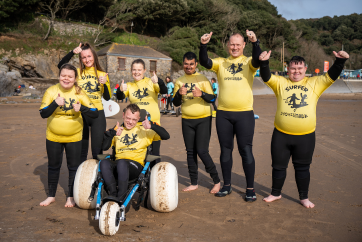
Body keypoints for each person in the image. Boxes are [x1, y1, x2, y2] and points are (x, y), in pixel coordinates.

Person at [258, 50, 349, 208]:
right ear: (288, 70)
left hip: (305, 136)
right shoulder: (281, 83)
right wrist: (264, 63)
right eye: (293, 68)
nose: (296, 71)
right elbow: (266, 77)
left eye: (299, 68)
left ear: (305, 69)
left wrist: (339, 62)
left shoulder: (315, 83)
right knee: (278, 166)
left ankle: (304, 197)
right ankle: (275, 193)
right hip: (281, 135)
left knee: (302, 168)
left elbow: (331, 76)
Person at [199, 30, 262, 201]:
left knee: (246, 150)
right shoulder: (221, 62)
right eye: (232, 44)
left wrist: (255, 42)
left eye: (238, 44)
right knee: (225, 151)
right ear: (228, 46)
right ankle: (227, 186)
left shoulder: (249, 62)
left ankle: (250, 189)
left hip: (245, 114)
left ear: (243, 46)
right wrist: (203, 45)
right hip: (224, 114)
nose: (234, 47)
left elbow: (257, 59)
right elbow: (204, 61)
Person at [39, 63, 98, 207]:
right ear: (59, 76)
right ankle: (51, 196)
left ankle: (70, 196)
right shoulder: (51, 91)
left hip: (74, 137)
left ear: (75, 78)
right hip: (53, 136)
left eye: (70, 76)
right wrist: (54, 104)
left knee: (73, 167)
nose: (66, 78)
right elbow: (43, 113)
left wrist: (82, 108)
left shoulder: (79, 92)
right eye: (63, 75)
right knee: (53, 166)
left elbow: (95, 112)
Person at [172, 52, 220, 193]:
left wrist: (202, 94)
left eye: (191, 64)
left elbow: (212, 99)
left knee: (202, 151)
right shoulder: (180, 81)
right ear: (183, 64)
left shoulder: (203, 79)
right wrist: (178, 94)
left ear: (196, 64)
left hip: (203, 118)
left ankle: (216, 180)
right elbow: (175, 104)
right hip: (187, 120)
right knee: (190, 152)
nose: (189, 66)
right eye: (186, 64)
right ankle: (194, 182)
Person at [100, 104, 170, 200]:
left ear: (139, 119)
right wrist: (111, 134)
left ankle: (121, 196)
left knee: (122, 163)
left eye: (134, 119)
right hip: (119, 164)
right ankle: (113, 193)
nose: (130, 122)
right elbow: (105, 147)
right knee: (104, 162)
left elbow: (166, 136)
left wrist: (152, 126)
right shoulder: (118, 130)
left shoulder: (144, 131)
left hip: (135, 167)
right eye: (128, 118)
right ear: (123, 115)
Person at [57, 43, 111, 162]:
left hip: (97, 114)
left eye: (89, 56)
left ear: (94, 57)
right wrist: (72, 52)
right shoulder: (76, 73)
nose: (87, 60)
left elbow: (107, 98)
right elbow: (61, 66)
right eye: (83, 57)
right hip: (81, 114)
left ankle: (97, 178)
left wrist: (104, 84)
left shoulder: (103, 75)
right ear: (81, 59)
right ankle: (80, 178)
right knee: (81, 152)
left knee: (97, 152)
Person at [116, 59, 167, 164]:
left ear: (144, 70)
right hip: (137, 127)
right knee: (138, 154)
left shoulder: (151, 82)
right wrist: (120, 90)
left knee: (154, 155)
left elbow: (164, 91)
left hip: (153, 124)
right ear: (131, 71)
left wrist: (159, 81)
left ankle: (155, 179)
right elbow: (120, 96)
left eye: (139, 70)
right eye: (134, 70)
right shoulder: (129, 85)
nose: (136, 72)